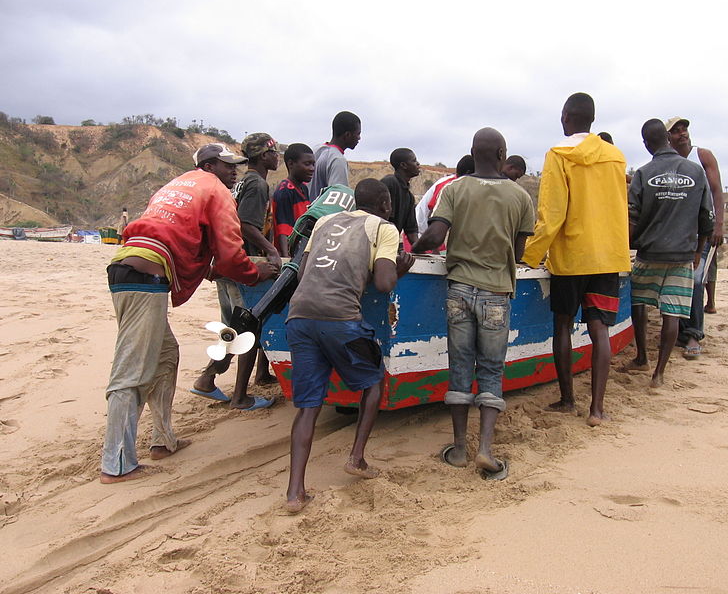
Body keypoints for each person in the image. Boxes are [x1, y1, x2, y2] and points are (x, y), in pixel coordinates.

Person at [100, 143, 277, 484]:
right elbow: (230, 255)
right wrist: (257, 274)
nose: (234, 171)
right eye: (228, 166)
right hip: (146, 277)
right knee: (132, 369)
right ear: (210, 165)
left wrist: (203, 266)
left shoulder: (178, 184)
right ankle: (116, 463)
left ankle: (163, 440)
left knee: (166, 355)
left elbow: (183, 239)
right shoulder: (217, 190)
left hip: (129, 268)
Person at [285, 178, 415, 512]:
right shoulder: (383, 228)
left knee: (308, 406)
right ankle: (356, 458)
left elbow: (304, 273)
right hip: (340, 319)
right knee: (374, 381)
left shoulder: (326, 221)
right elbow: (385, 283)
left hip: (298, 317)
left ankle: (295, 493)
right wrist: (398, 268)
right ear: (386, 203)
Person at [412, 128, 534, 480]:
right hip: (496, 292)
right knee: (492, 372)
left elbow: (434, 236)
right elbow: (520, 250)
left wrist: (407, 254)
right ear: (502, 155)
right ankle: (485, 451)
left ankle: (460, 450)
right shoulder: (520, 197)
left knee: (460, 370)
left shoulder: (455, 189)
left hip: (459, 291)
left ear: (471, 152)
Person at [521, 93, 630, 427]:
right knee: (600, 330)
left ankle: (568, 399)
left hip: (571, 257)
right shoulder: (616, 157)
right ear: (592, 120)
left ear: (565, 117)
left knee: (563, 325)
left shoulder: (558, 155)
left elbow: (552, 214)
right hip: (608, 255)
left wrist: (530, 255)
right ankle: (597, 410)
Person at [191, 133, 282, 410]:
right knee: (248, 328)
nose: (277, 156)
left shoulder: (241, 183)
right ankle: (237, 395)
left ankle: (209, 379)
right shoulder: (257, 184)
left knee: (234, 325)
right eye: (273, 152)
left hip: (225, 263)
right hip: (242, 264)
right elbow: (246, 224)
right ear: (264, 156)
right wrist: (271, 249)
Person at [626, 119, 715, 387]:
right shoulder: (695, 172)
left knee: (639, 305)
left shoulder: (643, 173)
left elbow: (632, 216)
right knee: (672, 313)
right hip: (682, 255)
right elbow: (706, 218)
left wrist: (625, 246)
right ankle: (659, 374)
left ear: (645, 143)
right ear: (667, 137)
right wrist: (698, 250)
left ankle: (642, 357)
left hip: (649, 253)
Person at [665, 117, 725, 359]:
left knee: (697, 280)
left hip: (703, 228)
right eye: (676, 131)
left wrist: (718, 224)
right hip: (679, 230)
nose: (682, 134)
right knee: (681, 279)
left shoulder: (702, 156)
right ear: (668, 137)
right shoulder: (668, 161)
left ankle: (693, 334)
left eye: (684, 129)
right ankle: (680, 329)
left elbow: (717, 191)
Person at [272, 143, 316, 257]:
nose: (312, 169)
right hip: (290, 255)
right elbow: (283, 229)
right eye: (307, 164)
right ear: (291, 164)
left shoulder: (303, 188)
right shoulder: (285, 191)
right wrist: (286, 260)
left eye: (313, 164)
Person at [308, 111, 361, 201]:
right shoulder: (338, 160)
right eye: (358, 134)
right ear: (347, 135)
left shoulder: (315, 150)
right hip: (322, 214)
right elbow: (337, 200)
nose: (359, 138)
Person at [415, 154, 474, 234]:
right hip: (419, 233)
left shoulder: (459, 185)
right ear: (468, 173)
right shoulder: (447, 185)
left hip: (430, 234)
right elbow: (433, 215)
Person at [381, 147, 421, 248]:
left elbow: (411, 231)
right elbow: (379, 220)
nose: (418, 164)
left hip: (389, 245)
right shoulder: (390, 183)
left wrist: (422, 250)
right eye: (414, 160)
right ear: (403, 165)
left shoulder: (409, 197)